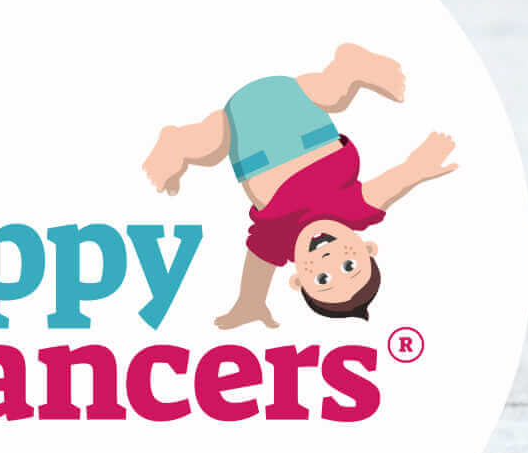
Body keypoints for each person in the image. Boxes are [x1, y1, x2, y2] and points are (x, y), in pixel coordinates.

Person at [148, 47, 452, 332]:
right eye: (350, 266)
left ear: (297, 280)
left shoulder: (278, 240)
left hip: (245, 134)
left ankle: (176, 144)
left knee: (208, 143)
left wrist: (251, 303)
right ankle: (349, 68)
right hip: (304, 124)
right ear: (367, 247)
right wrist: (420, 167)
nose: (329, 259)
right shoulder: (356, 209)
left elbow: (258, 270)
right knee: (331, 93)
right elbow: (395, 182)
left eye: (322, 279)